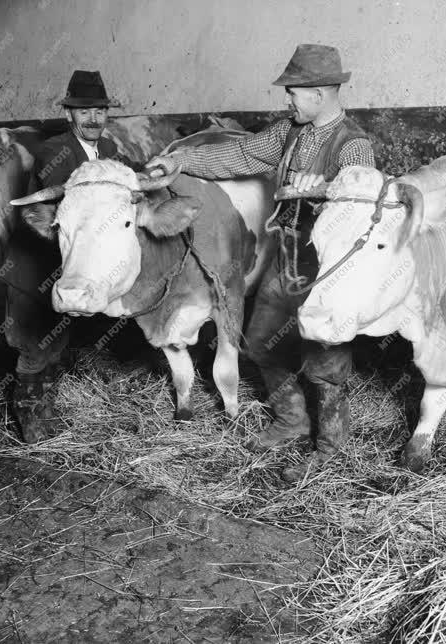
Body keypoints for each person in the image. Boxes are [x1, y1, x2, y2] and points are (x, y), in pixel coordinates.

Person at [146, 44, 375, 481]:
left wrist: (326, 187)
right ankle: (292, 420)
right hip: (285, 255)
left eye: (292, 92)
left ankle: (329, 448)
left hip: (327, 266)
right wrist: (180, 160)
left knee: (325, 360)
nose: (287, 100)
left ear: (319, 93)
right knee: (261, 341)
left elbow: (364, 199)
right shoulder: (289, 131)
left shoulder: (354, 144)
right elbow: (240, 155)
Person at [5, 70, 138, 442]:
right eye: (83, 112)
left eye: (99, 110)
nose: (93, 118)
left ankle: (45, 410)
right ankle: (30, 417)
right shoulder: (54, 152)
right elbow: (77, 207)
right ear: (69, 115)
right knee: (35, 343)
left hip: (74, 265)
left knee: (58, 340)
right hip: (39, 265)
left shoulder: (110, 152)